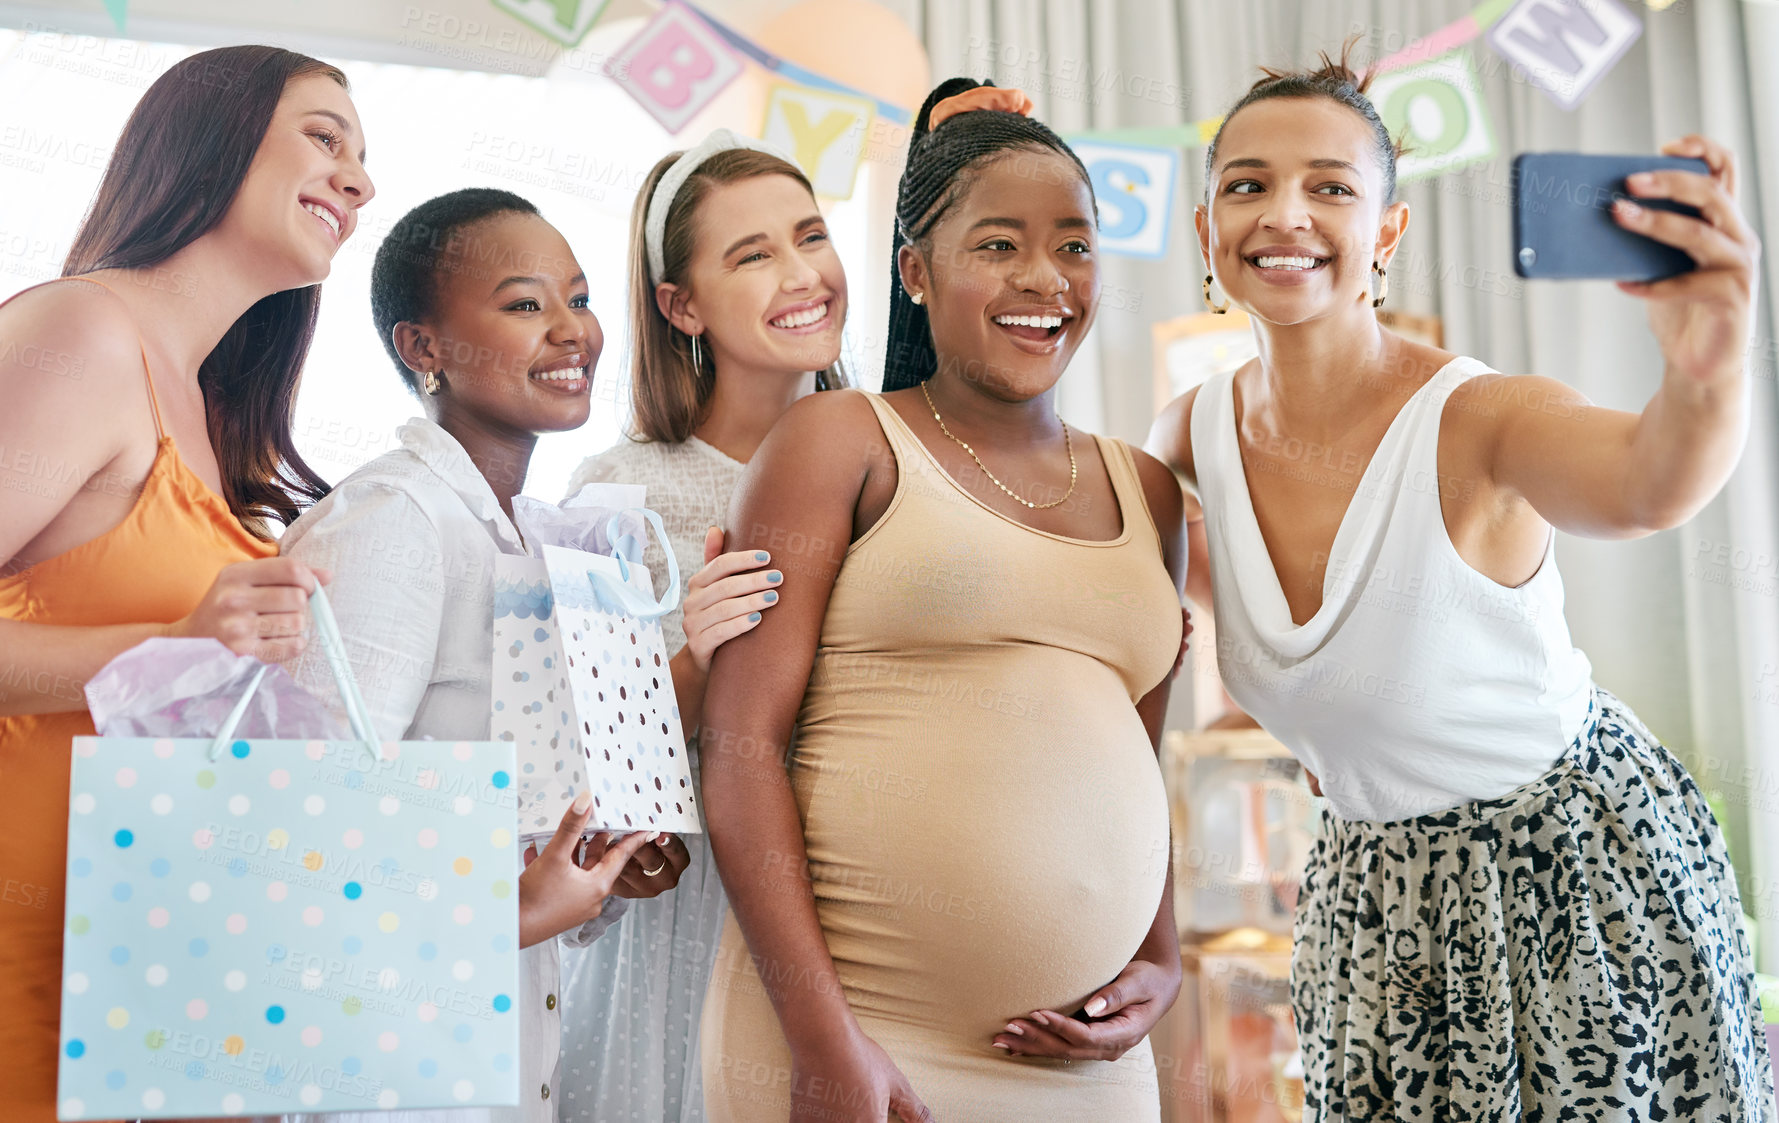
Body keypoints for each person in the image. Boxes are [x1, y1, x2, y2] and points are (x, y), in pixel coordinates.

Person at [1145, 47, 1775, 1122]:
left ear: (1385, 234)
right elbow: (1156, 620)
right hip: (1374, 907)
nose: (1283, 214)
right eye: (1245, 184)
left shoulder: (1480, 417)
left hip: (1573, 879)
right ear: (1206, 231)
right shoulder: (1188, 438)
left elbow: (1645, 485)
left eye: (1331, 187)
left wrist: (1706, 369)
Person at [696, 80, 1187, 1121]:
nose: (1044, 278)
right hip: (866, 1037)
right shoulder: (837, 444)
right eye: (998, 245)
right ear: (915, 270)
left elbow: (1140, 756)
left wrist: (1160, 954)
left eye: (1075, 245)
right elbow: (739, 746)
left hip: (1089, 1059)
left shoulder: (1146, 488)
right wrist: (823, 1038)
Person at [276, 188, 710, 1123]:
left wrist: (597, 875)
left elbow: (508, 848)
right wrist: (520, 912)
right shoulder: (395, 522)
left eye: (580, 298)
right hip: (390, 1079)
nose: (572, 332)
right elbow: (299, 857)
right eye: (524, 305)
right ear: (421, 348)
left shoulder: (534, 543)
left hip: (511, 1057)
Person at [0, 45, 373, 1122]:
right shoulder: (78, 335)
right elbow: (156, 650)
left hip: (133, 971)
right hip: (30, 964)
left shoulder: (203, 413)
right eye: (324, 136)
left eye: (363, 156)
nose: (359, 180)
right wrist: (176, 641)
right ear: (210, 139)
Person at [555, 129, 847, 1123]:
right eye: (753, 254)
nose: (802, 273)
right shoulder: (617, 495)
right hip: (698, 931)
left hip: (877, 901)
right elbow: (585, 780)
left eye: (810, 236)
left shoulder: (893, 463)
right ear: (681, 305)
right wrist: (694, 651)